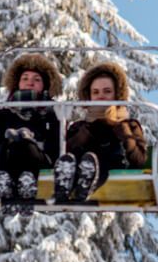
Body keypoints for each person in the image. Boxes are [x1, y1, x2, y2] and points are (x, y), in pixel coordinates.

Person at [54, 60, 149, 202]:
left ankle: (86, 183)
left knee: (100, 158)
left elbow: (139, 161)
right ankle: (65, 185)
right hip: (81, 160)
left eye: (107, 91)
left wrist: (125, 134)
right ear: (89, 96)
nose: (101, 96)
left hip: (109, 163)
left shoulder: (128, 125)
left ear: (117, 95)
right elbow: (66, 150)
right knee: (80, 156)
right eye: (96, 92)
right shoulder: (80, 126)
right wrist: (87, 132)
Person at [0, 54, 61, 211]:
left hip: (38, 161)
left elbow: (55, 150)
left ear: (45, 86)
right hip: (5, 156)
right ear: (17, 83)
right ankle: (6, 182)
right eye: (25, 78)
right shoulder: (4, 114)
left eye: (36, 79)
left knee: (24, 143)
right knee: (13, 140)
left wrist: (29, 142)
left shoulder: (51, 115)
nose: (30, 82)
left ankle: (25, 182)